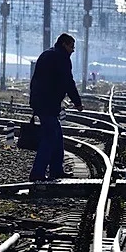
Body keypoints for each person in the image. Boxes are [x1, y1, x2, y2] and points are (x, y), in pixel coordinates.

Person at [28, 33, 84, 181]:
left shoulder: (47, 54)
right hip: (48, 103)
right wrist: (77, 102)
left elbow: (36, 80)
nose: (73, 50)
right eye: (71, 46)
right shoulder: (61, 58)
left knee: (57, 136)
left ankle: (56, 170)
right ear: (64, 44)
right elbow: (68, 82)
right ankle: (37, 173)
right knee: (50, 137)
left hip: (41, 102)